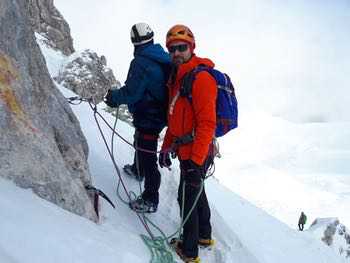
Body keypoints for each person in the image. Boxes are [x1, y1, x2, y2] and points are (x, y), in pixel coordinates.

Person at [159, 24, 216, 263]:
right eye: (172, 49)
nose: (176, 53)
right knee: (195, 193)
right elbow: (175, 119)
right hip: (186, 150)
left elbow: (207, 123)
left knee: (187, 197)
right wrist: (166, 146)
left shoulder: (201, 78)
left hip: (196, 151)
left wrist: (196, 160)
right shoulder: (177, 79)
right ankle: (204, 236)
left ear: (191, 48)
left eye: (181, 48)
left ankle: (190, 251)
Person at [105, 22, 171, 213]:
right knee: (141, 142)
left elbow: (132, 92)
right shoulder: (161, 57)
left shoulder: (142, 62)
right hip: (159, 114)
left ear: (134, 41)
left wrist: (113, 98)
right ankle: (137, 169)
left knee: (147, 153)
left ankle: (151, 198)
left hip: (149, 115)